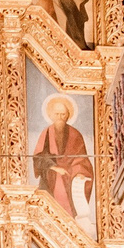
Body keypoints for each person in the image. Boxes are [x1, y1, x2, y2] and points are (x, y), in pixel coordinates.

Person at [32, 94, 94, 224]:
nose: (60, 118)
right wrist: (54, 167)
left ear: (68, 115)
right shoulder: (47, 133)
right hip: (50, 176)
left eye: (63, 114)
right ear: (51, 115)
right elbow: (39, 157)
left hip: (70, 175)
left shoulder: (75, 134)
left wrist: (80, 173)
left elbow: (81, 158)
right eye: (57, 114)